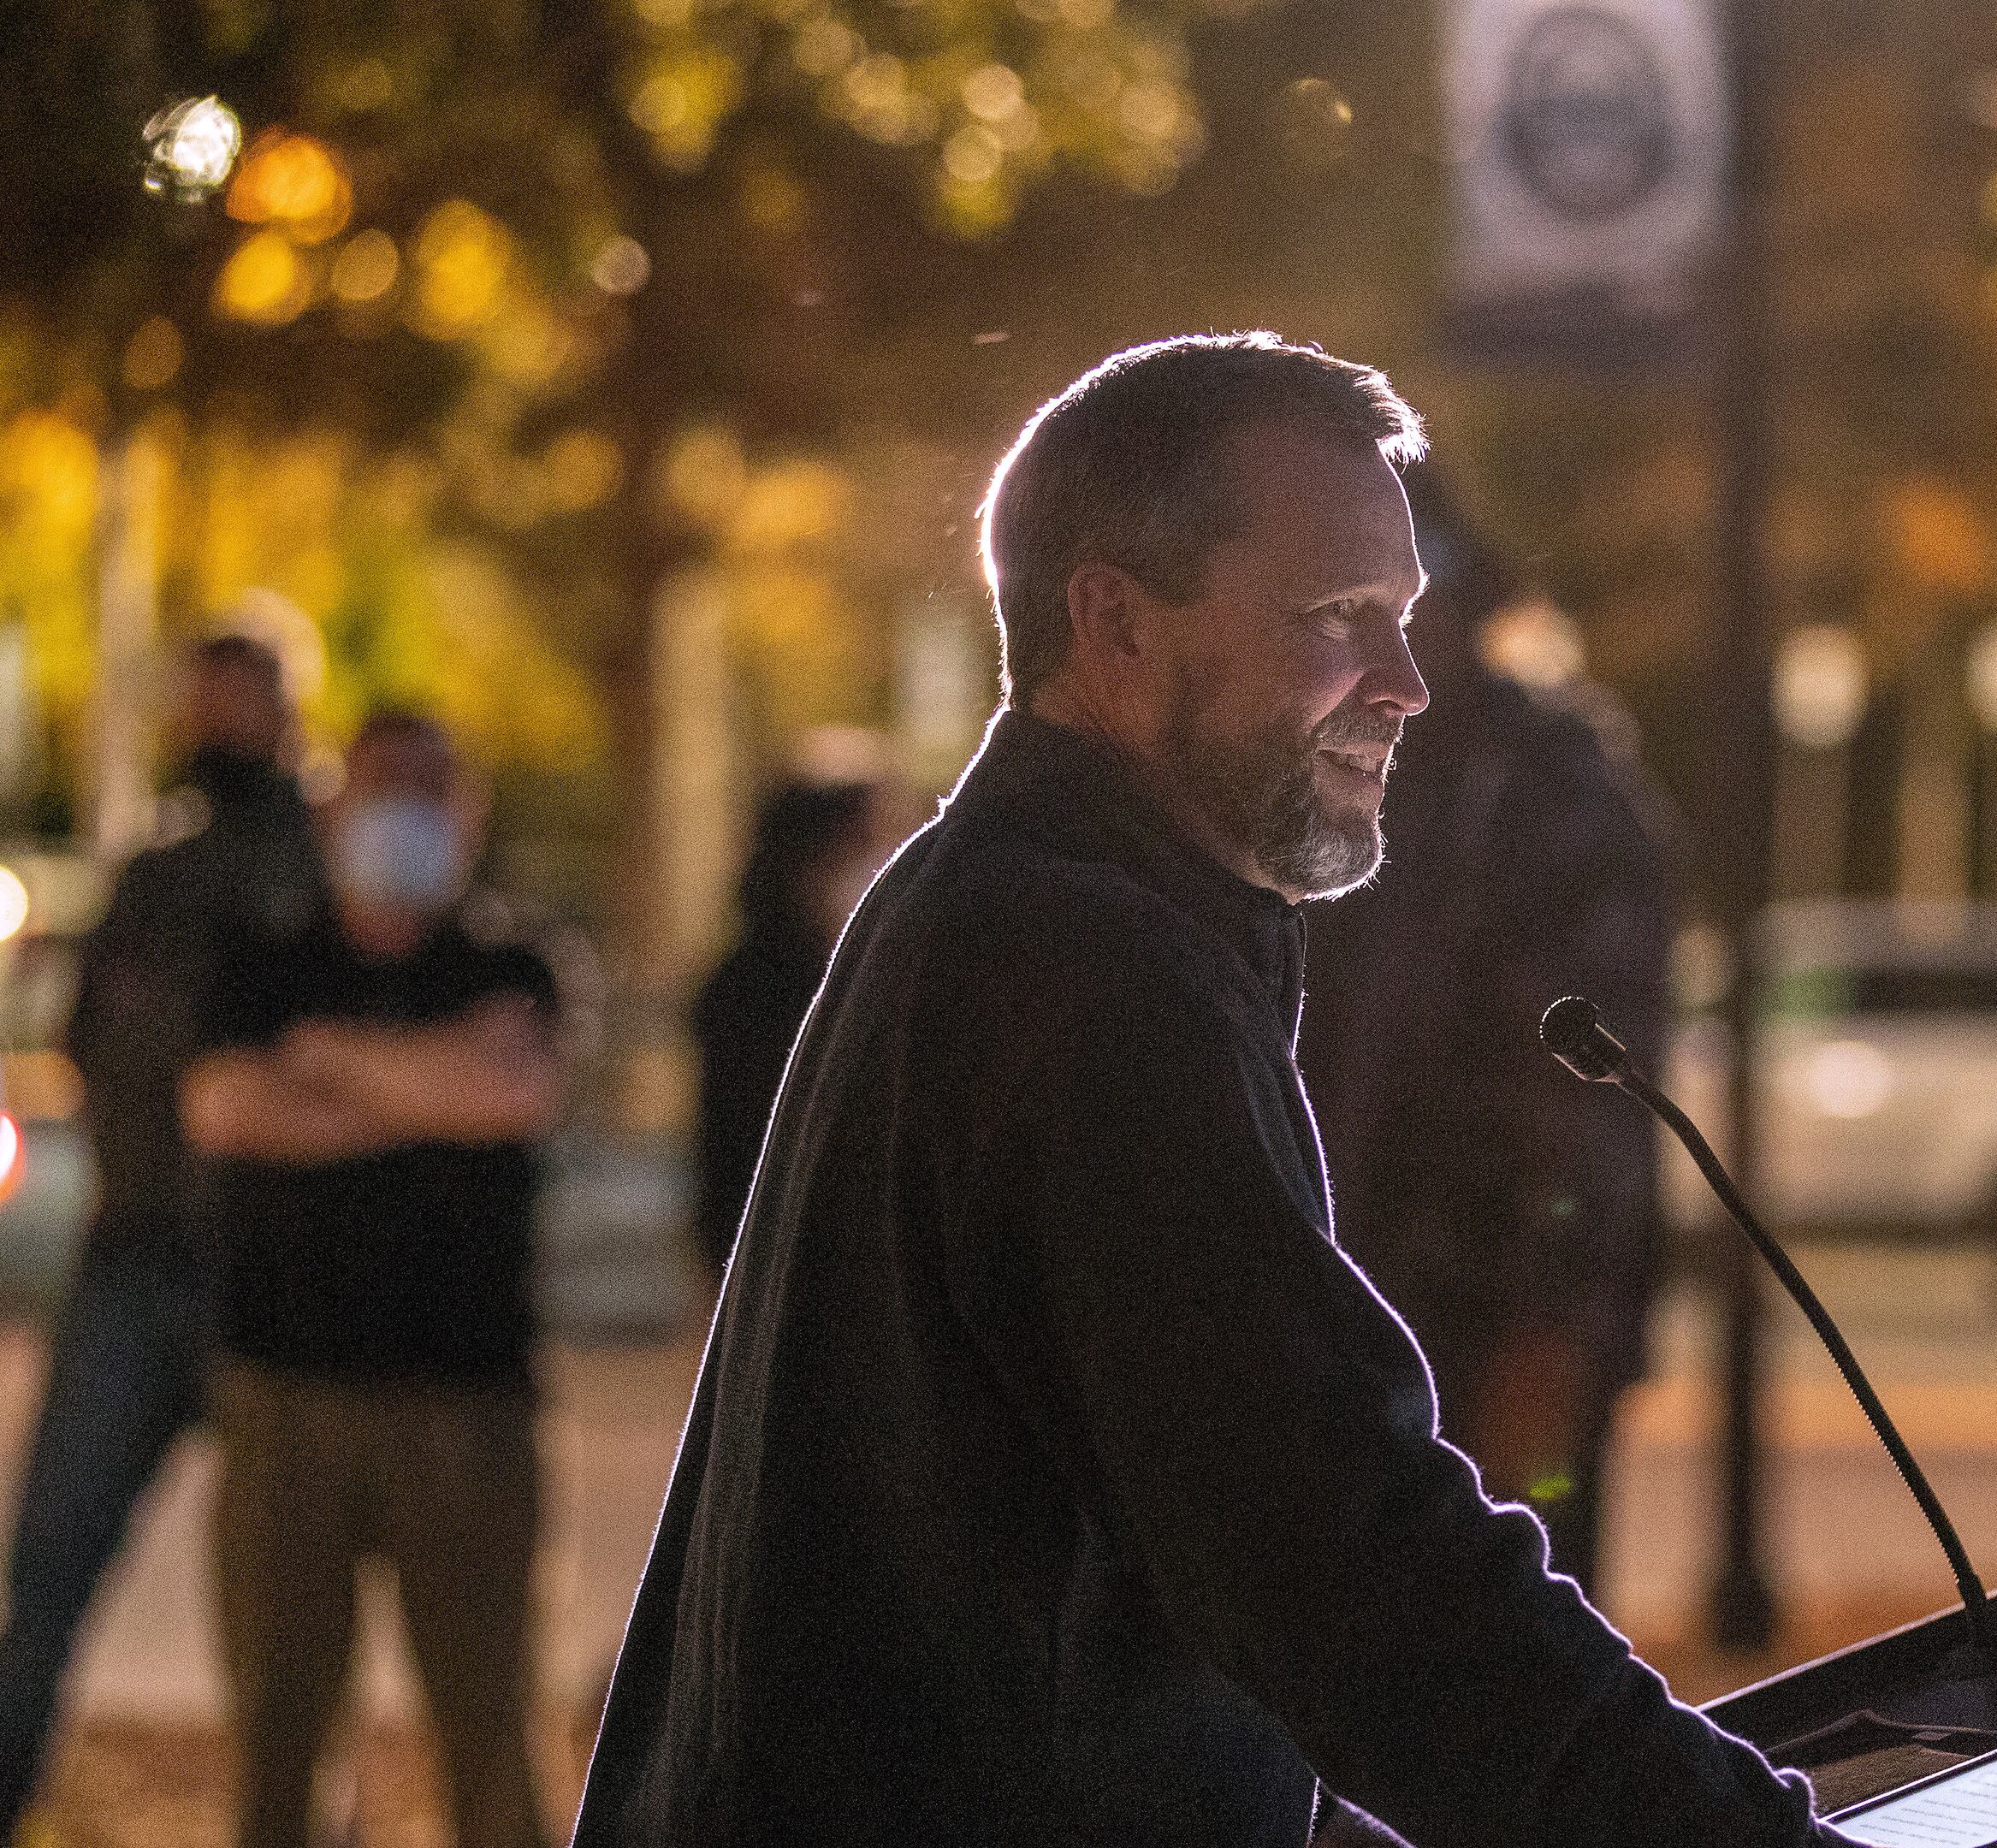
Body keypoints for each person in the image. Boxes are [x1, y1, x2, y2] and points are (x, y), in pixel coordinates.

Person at [571, 334, 1835, 1847]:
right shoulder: (1085, 977)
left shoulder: (1000, 905)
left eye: (1408, 617)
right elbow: (1344, 1563)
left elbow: (1170, 1594)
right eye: (1336, 617)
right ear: (1113, 621)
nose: (1409, 684)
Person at [180, 711, 566, 1848]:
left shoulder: (514, 965)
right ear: (333, 804)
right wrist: (430, 1084)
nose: (402, 812)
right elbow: (226, 1108)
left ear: (470, 812)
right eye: (380, 785)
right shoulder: (261, 964)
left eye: (429, 789)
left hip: (471, 1405)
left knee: (492, 1742)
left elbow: (509, 1095)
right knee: (281, 1744)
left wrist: (329, 1060)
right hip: (283, 1395)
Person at [1298, 462, 1672, 1602]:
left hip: (1491, 1334)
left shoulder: (1549, 793)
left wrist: (1551, 1325)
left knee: (1518, 1653)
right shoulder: (1300, 782)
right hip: (1338, 1326)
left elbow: (1587, 1103)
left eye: (1409, 602)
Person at [0, 634, 318, 1832]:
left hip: (269, 1277)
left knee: (292, 1613)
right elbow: (101, 1046)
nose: (219, 728)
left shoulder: (314, 868)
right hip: (137, 1255)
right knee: (50, 1571)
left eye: (238, 706)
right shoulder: (157, 876)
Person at [690, 775, 891, 1275]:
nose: (891, 863)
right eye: (870, 842)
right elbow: (733, 1174)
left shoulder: (878, 978)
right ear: (811, 859)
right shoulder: (750, 997)